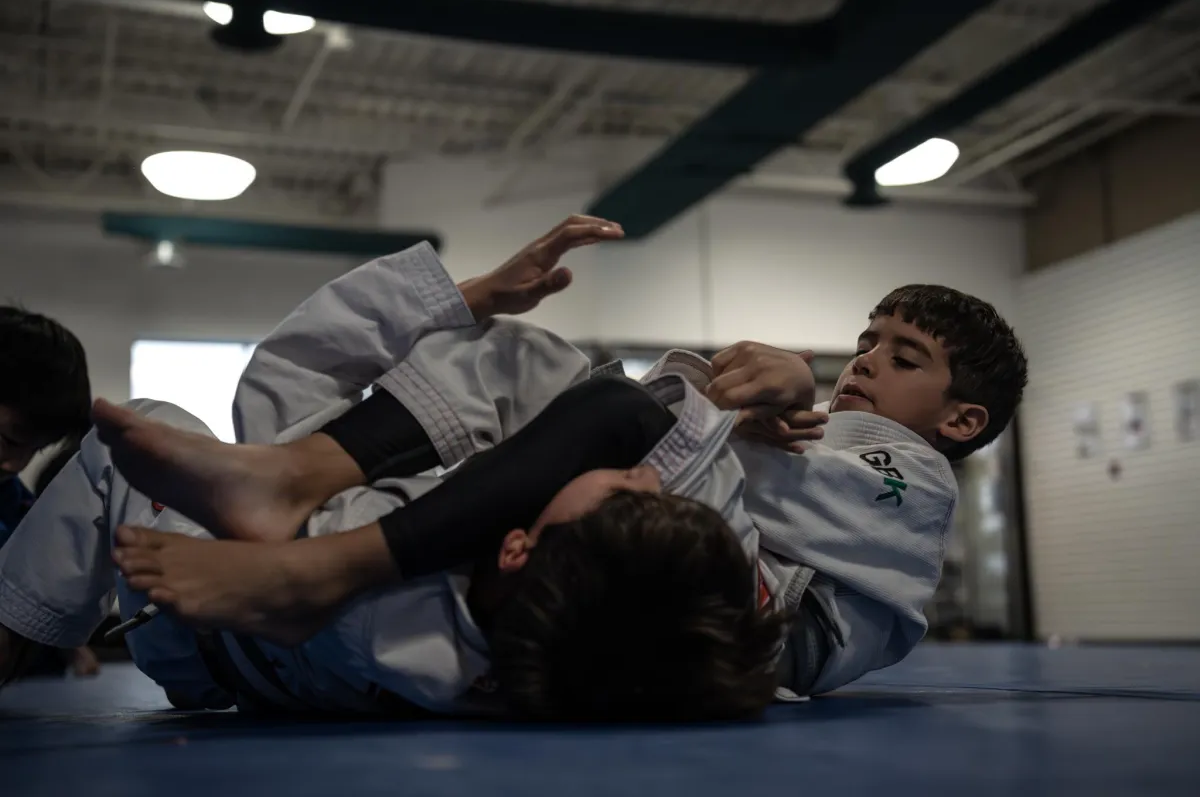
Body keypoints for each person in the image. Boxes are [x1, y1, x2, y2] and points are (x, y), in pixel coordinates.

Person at [102, 226, 1028, 701]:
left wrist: (747, 392)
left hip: (737, 614)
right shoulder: (830, 447)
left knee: (581, 388)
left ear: (963, 417)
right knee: (574, 390)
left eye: (904, 358)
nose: (865, 360)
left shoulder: (917, 477)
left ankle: (309, 524)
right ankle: (295, 486)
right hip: (227, 629)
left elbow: (771, 494)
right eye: (866, 341)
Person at [0, 218, 786, 721]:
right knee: (578, 403)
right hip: (237, 663)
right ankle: (290, 478)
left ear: (516, 543)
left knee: (137, 438)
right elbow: (659, 461)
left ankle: (10, 634)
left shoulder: (388, 600)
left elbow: (287, 383)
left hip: (191, 608)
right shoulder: (609, 638)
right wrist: (785, 384)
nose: (644, 479)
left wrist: (470, 297)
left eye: (624, 490)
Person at [0, 307, 99, 679]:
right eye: (8, 439)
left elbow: (38, 588)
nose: (14, 464)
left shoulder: (19, 507)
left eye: (33, 449)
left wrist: (73, 649)